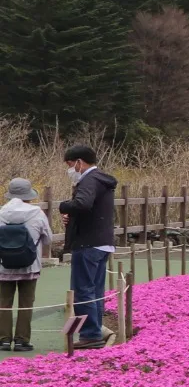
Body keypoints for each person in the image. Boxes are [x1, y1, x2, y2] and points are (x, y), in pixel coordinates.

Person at [56, 146, 117, 348]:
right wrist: (72, 218)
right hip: (102, 242)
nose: (70, 170)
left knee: (83, 290)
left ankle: (90, 333)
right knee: (95, 289)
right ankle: (96, 329)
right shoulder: (102, 180)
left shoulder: (89, 180)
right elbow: (89, 210)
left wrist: (64, 206)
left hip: (88, 243)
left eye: (70, 165)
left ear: (79, 162)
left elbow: (82, 204)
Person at [0, 179, 54, 352]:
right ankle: (22, 341)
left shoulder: (1, 212)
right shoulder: (37, 213)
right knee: (26, 303)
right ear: (28, 195)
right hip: (30, 265)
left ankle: (3, 340)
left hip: (3, 265)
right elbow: (48, 239)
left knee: (3, 303)